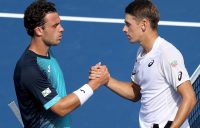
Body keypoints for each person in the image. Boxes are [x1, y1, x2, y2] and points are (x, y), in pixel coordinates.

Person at [90, 0, 197, 128]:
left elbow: (190, 98)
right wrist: (106, 79)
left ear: (143, 25)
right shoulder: (142, 52)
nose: (124, 29)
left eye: (128, 24)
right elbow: (136, 92)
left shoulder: (166, 53)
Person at [13, 0, 109, 127]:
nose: (62, 29)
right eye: (55, 26)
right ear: (39, 31)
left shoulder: (46, 53)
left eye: (60, 24)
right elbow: (60, 108)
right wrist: (94, 84)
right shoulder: (30, 69)